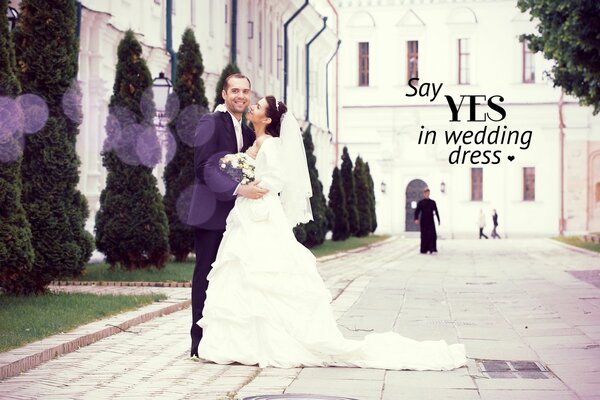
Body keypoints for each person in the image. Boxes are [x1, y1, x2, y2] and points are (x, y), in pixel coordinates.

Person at [196, 96, 466, 370]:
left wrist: (252, 184)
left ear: (266, 119)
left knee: (261, 272)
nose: (251, 106)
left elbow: (277, 179)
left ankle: (263, 341)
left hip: (260, 211)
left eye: (257, 107)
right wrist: (240, 178)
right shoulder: (254, 142)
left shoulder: (270, 145)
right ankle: (241, 342)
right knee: (242, 271)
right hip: (247, 212)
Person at [188, 73, 268, 358]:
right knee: (206, 276)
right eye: (235, 91)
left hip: (238, 219)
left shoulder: (246, 132)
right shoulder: (211, 122)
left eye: (246, 92)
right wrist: (239, 189)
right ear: (224, 94)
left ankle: (227, 340)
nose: (241, 96)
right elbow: (204, 168)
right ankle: (198, 341)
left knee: (232, 279)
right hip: (210, 216)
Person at [413, 188, 440, 254]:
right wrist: (416, 218)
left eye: (428, 193)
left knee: (432, 235)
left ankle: (432, 249)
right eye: (425, 193)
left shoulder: (432, 202)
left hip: (431, 220)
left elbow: (436, 211)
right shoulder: (421, 202)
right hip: (424, 221)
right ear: (424, 194)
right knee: (424, 235)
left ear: (429, 193)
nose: (427, 194)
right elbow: (417, 211)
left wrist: (439, 220)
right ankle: (424, 249)